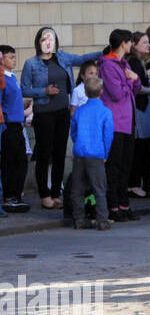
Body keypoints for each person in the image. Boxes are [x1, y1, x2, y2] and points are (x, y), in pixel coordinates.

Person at [21, 27, 103, 210]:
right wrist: (44, 91)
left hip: (62, 112)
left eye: (51, 38)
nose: (48, 42)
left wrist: (103, 52)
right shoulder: (31, 64)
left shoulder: (63, 57)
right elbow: (24, 89)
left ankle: (56, 192)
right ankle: (44, 194)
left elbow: (81, 59)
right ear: (38, 41)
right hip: (43, 112)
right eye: (44, 38)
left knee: (59, 153)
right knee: (44, 154)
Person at [99, 29, 141, 222]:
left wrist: (135, 79)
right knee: (114, 167)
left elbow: (136, 88)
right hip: (115, 123)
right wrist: (130, 80)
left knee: (127, 165)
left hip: (128, 121)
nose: (132, 45)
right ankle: (114, 206)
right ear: (124, 43)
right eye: (130, 42)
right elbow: (116, 93)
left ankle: (124, 205)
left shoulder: (123, 64)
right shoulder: (107, 65)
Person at [66, 76, 114, 231]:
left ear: (85, 93)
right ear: (101, 92)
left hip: (80, 153)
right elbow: (108, 135)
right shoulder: (106, 112)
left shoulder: (79, 111)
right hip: (96, 153)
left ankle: (79, 219)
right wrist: (105, 152)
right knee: (99, 188)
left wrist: (78, 143)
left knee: (77, 188)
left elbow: (73, 131)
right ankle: (102, 220)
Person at [127, 33, 150, 198]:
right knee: (140, 148)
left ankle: (142, 182)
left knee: (146, 147)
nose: (148, 45)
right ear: (135, 45)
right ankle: (134, 184)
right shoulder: (132, 62)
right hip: (139, 107)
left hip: (144, 107)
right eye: (145, 42)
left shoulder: (138, 61)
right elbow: (137, 86)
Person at [1, 45, 29, 212]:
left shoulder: (12, 77)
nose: (14, 59)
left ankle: (16, 194)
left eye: (14, 56)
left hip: (18, 124)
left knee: (21, 161)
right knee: (9, 161)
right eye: (10, 57)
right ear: (2, 59)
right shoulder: (2, 78)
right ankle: (9, 195)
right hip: (8, 125)